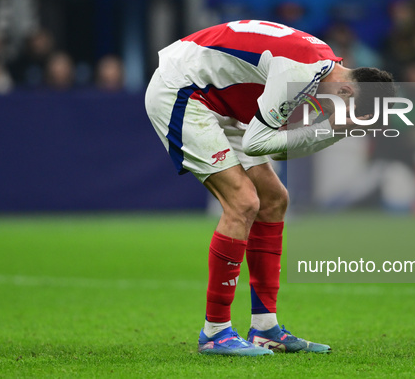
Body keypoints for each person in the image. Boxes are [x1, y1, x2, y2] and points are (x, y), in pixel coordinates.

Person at [145, 19, 394, 356]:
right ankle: (215, 332)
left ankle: (265, 328)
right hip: (184, 90)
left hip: (220, 100)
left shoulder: (321, 69)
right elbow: (258, 142)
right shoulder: (302, 74)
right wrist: (331, 130)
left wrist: (330, 131)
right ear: (348, 93)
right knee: (244, 202)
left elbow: (277, 148)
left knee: (274, 199)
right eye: (354, 115)